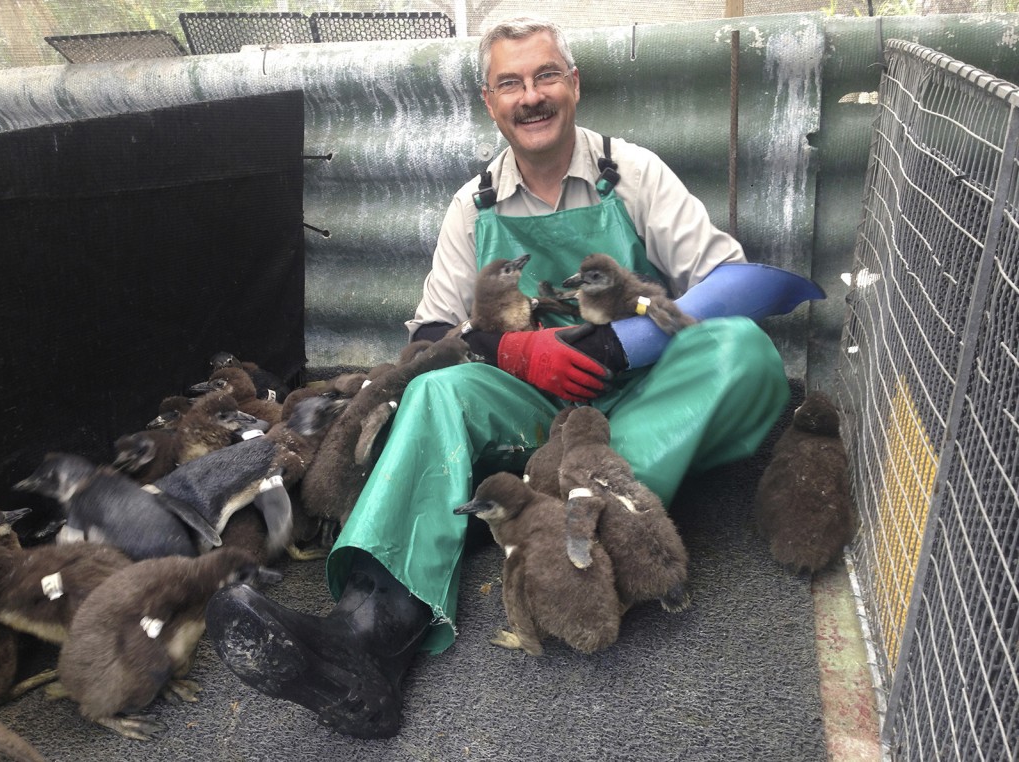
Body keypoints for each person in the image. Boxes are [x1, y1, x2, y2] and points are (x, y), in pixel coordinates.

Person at [205, 15, 790, 740]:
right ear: (491, 103)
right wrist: (517, 353)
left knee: (745, 352)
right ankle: (369, 633)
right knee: (434, 387)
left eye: (546, 76)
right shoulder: (471, 205)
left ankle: (583, 516)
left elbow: (729, 281)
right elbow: (426, 338)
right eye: (510, 83)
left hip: (636, 393)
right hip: (527, 406)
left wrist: (622, 343)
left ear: (572, 86)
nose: (531, 96)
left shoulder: (631, 174)